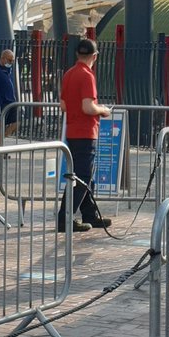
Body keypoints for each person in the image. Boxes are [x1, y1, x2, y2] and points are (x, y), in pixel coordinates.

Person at [57, 38, 112, 232]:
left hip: (72, 131)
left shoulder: (69, 74)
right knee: (82, 176)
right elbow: (88, 107)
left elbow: (63, 105)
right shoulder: (87, 76)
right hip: (86, 132)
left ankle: (90, 214)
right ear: (94, 56)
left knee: (85, 175)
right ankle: (64, 218)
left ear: (77, 54)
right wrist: (103, 110)